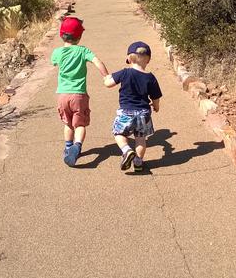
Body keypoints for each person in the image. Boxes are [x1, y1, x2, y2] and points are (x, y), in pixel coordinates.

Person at [51, 17, 109, 167]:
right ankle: (77, 146)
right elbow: (97, 61)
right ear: (80, 36)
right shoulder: (83, 51)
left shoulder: (57, 52)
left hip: (62, 95)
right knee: (80, 124)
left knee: (68, 123)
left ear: (61, 35)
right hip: (79, 95)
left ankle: (68, 147)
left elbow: (54, 62)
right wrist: (106, 76)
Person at [104, 41, 162, 172]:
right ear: (148, 60)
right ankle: (138, 162)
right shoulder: (150, 77)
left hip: (126, 112)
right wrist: (156, 106)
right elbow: (155, 97)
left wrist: (106, 78)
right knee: (140, 139)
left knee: (118, 133)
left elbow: (108, 84)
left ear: (129, 59)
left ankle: (127, 150)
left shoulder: (125, 73)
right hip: (143, 113)